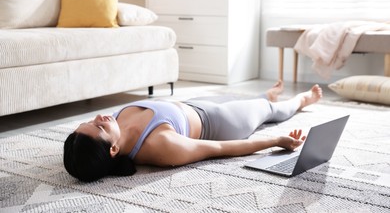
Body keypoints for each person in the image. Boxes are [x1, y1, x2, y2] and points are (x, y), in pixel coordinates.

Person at [64, 81, 322, 182]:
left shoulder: (110, 130)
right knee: (268, 109)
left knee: (232, 95)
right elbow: (220, 148)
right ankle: (302, 99)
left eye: (89, 121)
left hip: (192, 104)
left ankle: (261, 94)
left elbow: (84, 159)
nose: (100, 117)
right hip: (220, 122)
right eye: (99, 126)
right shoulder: (161, 146)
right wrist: (275, 140)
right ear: (114, 149)